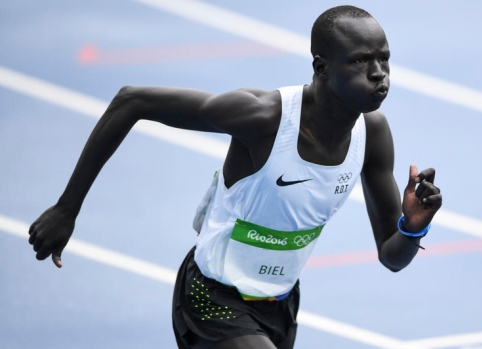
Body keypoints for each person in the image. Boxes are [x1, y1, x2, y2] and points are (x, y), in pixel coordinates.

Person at [27, 5, 442, 349]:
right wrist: (67, 209)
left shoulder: (373, 134)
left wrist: (411, 228)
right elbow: (131, 101)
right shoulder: (262, 117)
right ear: (321, 66)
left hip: (280, 305)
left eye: (383, 58)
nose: (378, 73)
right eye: (360, 61)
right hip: (210, 299)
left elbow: (392, 258)